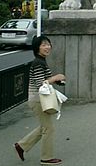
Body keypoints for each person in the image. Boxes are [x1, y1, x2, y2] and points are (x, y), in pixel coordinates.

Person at [15, 35, 66, 165]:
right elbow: (40, 83)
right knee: (49, 128)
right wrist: (55, 77)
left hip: (39, 99)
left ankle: (21, 146)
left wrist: (57, 81)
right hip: (38, 100)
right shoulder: (38, 63)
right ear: (37, 48)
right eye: (43, 45)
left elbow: (46, 80)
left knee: (44, 127)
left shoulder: (41, 61)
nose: (47, 47)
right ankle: (46, 158)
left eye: (48, 44)